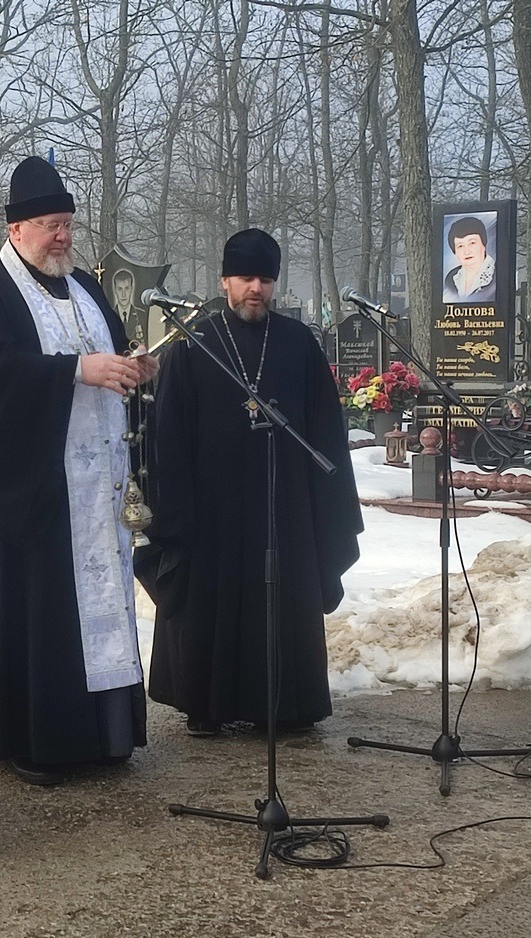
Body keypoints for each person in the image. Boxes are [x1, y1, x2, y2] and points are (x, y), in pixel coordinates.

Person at [0, 156, 158, 786]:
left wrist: (133, 367)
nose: (63, 237)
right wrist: (73, 371)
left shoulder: (86, 287)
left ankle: (106, 734)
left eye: (68, 224)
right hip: (32, 486)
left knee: (101, 605)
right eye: (50, 226)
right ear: (16, 229)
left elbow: (107, 354)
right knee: (42, 614)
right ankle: (36, 741)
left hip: (97, 486)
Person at [139, 228, 361, 736]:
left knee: (282, 600)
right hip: (211, 508)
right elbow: (168, 434)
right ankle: (205, 705)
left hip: (285, 505)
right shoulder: (194, 343)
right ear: (225, 281)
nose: (255, 288)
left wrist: (325, 506)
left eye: (265, 279)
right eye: (245, 278)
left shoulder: (298, 343)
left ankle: (284, 704)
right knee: (210, 597)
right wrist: (175, 508)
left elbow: (325, 429)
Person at [443, 216, 497, 303]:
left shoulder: (498, 275)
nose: (467, 252)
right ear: (454, 251)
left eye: (472, 243)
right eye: (460, 246)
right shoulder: (451, 279)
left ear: (484, 244)